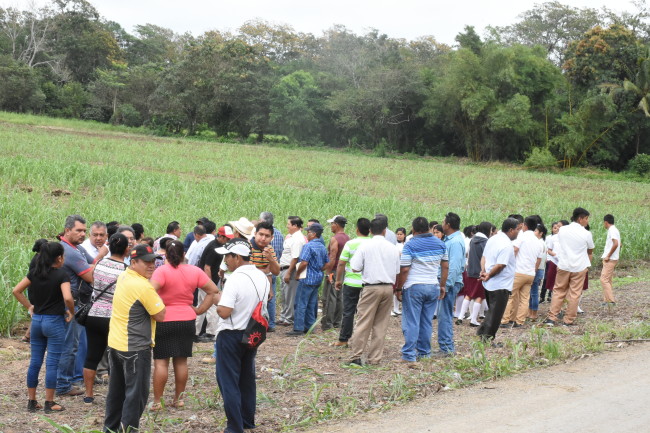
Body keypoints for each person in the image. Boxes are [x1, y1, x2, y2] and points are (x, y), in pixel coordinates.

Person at [104, 244, 166, 433]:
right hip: (135, 348)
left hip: (115, 345)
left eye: (153, 261)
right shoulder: (142, 286)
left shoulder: (124, 276)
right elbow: (161, 314)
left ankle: (110, 429)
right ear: (133, 262)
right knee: (135, 396)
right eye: (146, 262)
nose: (151, 265)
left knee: (116, 394)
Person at [150, 240, 218, 410]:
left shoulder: (162, 271)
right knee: (181, 362)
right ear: (183, 255)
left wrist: (156, 307)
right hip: (187, 319)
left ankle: (158, 402)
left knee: (161, 362)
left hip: (164, 319)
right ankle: (178, 399)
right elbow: (213, 290)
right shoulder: (194, 271)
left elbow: (149, 291)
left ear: (166, 255)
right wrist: (200, 309)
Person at [214, 238, 270, 433]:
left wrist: (217, 301)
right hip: (252, 334)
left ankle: (234, 427)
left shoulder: (235, 279)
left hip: (231, 334)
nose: (225, 261)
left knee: (228, 381)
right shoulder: (262, 276)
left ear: (236, 257)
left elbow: (224, 312)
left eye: (227, 257)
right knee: (246, 379)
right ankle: (247, 420)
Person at [13, 241, 75, 413]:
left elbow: (16, 290)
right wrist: (71, 311)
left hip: (37, 322)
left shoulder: (35, 273)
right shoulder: (61, 275)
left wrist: (29, 306)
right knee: (52, 363)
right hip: (54, 322)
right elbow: (68, 298)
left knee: (35, 362)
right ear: (59, 258)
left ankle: (32, 401)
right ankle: (49, 402)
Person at [57, 215, 104, 397]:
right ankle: (63, 384)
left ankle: (65, 381)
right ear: (67, 230)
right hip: (70, 304)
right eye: (79, 230)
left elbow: (91, 265)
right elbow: (90, 275)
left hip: (67, 303)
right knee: (70, 345)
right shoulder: (70, 252)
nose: (82, 234)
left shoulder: (73, 249)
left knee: (68, 344)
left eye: (84, 230)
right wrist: (101, 255)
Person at [83, 233, 129, 405]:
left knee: (92, 355)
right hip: (114, 317)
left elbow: (92, 281)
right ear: (126, 249)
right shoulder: (125, 270)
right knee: (117, 356)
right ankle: (117, 394)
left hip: (94, 314)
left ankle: (88, 395)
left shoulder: (100, 264)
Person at [347, 218, 400, 365]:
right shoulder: (393, 248)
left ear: (370, 230)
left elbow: (355, 267)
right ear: (385, 231)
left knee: (363, 322)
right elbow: (397, 271)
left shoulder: (365, 246)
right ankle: (374, 358)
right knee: (381, 324)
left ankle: (356, 356)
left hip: (371, 287)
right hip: (388, 287)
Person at [396, 217, 449, 363]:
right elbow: (445, 266)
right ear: (429, 228)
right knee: (426, 321)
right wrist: (442, 285)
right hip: (433, 286)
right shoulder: (440, 243)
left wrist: (399, 288)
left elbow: (405, 268)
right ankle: (424, 353)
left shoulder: (410, 244)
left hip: (414, 286)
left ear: (413, 230)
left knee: (412, 322)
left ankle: (409, 354)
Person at [544, 208, 594, 327]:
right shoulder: (587, 233)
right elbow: (590, 250)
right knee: (574, 293)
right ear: (580, 218)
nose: (587, 221)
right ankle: (568, 320)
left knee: (558, 291)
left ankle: (552, 318)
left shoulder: (563, 230)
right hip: (579, 266)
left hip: (564, 265)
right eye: (586, 218)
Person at [476, 218, 520, 343]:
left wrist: (483, 271)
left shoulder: (493, 239)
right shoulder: (506, 245)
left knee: (491, 310)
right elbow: (501, 265)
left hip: (489, 283)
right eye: (517, 230)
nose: (518, 233)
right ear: (511, 230)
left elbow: (484, 257)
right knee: (496, 314)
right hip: (500, 284)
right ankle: (487, 339)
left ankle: (482, 333)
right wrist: (488, 274)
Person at [500, 216, 544, 328]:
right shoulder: (538, 241)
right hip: (530, 273)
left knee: (510, 296)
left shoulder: (522, 237)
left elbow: (515, 249)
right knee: (524, 298)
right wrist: (533, 270)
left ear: (525, 225)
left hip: (518, 271)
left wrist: (510, 263)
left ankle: (505, 320)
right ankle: (519, 321)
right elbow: (539, 259)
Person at [333, 218, 371, 347]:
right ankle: (362, 340)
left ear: (357, 229)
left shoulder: (351, 244)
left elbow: (342, 263)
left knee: (348, 312)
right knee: (365, 313)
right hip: (368, 283)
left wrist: (338, 280)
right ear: (370, 230)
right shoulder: (372, 244)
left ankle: (344, 339)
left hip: (351, 282)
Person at [287, 223, 329, 336]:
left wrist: (298, 274)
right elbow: (327, 263)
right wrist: (319, 270)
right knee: (311, 303)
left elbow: (304, 262)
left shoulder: (308, 246)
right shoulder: (322, 246)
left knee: (300, 303)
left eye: (308, 232)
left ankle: (298, 328)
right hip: (317, 278)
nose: (307, 234)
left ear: (314, 234)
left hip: (306, 279)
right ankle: (310, 327)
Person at [438, 212, 465, 355]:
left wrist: (445, 285)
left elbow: (453, 267)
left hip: (449, 284)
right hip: (448, 283)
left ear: (448, 225)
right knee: (444, 314)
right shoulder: (451, 239)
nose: (442, 224)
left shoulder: (454, 242)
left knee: (445, 315)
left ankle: (447, 348)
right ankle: (445, 346)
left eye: (443, 221)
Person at [457, 221, 491, 327]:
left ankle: (460, 317)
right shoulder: (485, 242)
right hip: (479, 272)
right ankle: (473, 320)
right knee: (479, 296)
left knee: (469, 294)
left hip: (470, 271)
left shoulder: (473, 240)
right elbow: (486, 258)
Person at [322, 215, 350, 331]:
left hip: (334, 270)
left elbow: (332, 257)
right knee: (339, 296)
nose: (331, 226)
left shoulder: (335, 239)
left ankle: (327, 323)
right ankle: (337, 321)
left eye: (332, 224)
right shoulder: (348, 238)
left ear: (336, 225)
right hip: (343, 271)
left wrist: (328, 272)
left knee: (330, 297)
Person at [277, 216, 306, 327]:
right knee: (285, 293)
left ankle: (288, 318)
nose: (287, 226)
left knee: (290, 294)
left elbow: (295, 257)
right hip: (285, 268)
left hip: (290, 269)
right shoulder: (292, 238)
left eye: (289, 224)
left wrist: (289, 272)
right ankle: (284, 316)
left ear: (295, 226)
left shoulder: (297, 239)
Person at [259, 211, 284, 330]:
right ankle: (271, 324)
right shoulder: (279, 234)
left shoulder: (261, 240)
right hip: (274, 266)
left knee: (263, 297)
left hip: (266, 269)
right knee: (271, 297)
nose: (264, 238)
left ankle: (262, 322)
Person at [528, 224, 548, 320]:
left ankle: (533, 313)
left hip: (537, 269)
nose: (534, 232)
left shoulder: (539, 243)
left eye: (536, 231)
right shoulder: (542, 243)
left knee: (534, 292)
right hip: (539, 269)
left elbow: (538, 259)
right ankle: (531, 312)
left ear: (541, 233)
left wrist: (534, 269)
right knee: (533, 292)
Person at [600, 214, 621, 305]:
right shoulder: (615, 230)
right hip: (613, 258)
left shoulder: (612, 230)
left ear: (606, 222)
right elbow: (620, 244)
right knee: (608, 280)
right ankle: (606, 300)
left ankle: (610, 301)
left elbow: (616, 244)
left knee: (603, 279)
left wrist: (609, 255)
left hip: (610, 259)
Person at [540, 221, 561, 303]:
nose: (556, 229)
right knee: (546, 278)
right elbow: (547, 249)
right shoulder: (549, 238)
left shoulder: (561, 238)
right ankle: (542, 296)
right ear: (552, 229)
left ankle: (550, 295)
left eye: (558, 227)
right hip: (549, 260)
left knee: (555, 278)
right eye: (555, 228)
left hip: (557, 260)